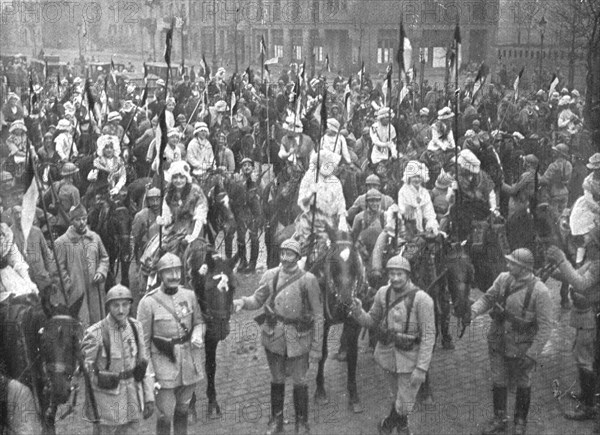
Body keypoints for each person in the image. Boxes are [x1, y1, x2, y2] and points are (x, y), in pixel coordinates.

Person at [232, 238, 324, 434]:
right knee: (277, 379)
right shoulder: (270, 275)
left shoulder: (308, 280)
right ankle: (276, 419)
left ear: (298, 257)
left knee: (300, 380)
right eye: (282, 253)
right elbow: (257, 299)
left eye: (289, 254)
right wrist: (242, 302)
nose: (284, 258)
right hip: (274, 335)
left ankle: (301, 421)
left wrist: (317, 347)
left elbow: (318, 315)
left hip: (299, 337)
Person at [349, 255, 435, 435]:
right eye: (392, 274)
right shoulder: (383, 292)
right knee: (396, 396)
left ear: (408, 275)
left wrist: (421, 369)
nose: (395, 278)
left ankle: (387, 425)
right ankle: (403, 427)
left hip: (410, 359)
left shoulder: (422, 299)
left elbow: (428, 337)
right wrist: (358, 311)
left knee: (404, 404)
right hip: (387, 355)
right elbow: (371, 321)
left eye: (400, 274)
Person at [470, 248, 553, 435]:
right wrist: (473, 311)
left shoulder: (540, 291)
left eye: (512, 263)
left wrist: (533, 354)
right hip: (498, 341)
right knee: (498, 380)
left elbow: (546, 327)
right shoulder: (503, 279)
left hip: (522, 348)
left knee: (524, 383)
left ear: (524, 268)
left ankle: (520, 422)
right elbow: (487, 299)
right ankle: (500, 418)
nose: (507, 265)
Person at [137, 253, 205, 435]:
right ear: (160, 275)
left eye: (177, 271)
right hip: (163, 367)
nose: (175, 276)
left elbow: (198, 321)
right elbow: (142, 343)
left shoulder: (189, 295)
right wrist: (149, 374)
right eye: (169, 272)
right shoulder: (148, 303)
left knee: (183, 409)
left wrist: (198, 332)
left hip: (189, 365)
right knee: (165, 415)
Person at [81, 285, 155, 434]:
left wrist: (149, 397)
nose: (121, 310)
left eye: (125, 305)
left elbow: (144, 364)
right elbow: (86, 372)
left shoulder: (136, 327)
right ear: (108, 306)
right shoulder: (95, 333)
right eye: (116, 305)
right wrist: (93, 408)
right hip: (107, 402)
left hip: (133, 397)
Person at [546, 223, 600, 422]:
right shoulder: (593, 261)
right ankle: (588, 395)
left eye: (591, 241)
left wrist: (561, 260)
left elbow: (580, 283)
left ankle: (589, 406)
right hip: (584, 316)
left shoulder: (598, 264)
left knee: (584, 358)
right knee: (585, 356)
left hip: (590, 316)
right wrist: (554, 269)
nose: (587, 244)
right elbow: (574, 274)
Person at [54, 203, 109, 326]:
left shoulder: (95, 238)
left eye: (84, 218)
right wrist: (69, 286)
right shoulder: (61, 243)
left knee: (97, 323)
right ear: (71, 221)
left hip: (94, 289)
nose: (82, 222)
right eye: (78, 219)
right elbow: (58, 270)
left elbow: (104, 258)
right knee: (80, 323)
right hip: (76, 292)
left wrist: (101, 272)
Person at [294, 150, 348, 264]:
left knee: (346, 242)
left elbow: (340, 202)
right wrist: (310, 194)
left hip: (332, 219)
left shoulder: (335, 181)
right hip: (312, 217)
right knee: (302, 245)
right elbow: (301, 201)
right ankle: (300, 264)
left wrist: (342, 217)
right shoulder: (309, 178)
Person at [0, 223, 38, 302]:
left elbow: (18, 262)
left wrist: (29, 282)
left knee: (25, 298)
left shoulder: (5, 233)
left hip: (7, 277)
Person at [43, 162, 81, 236]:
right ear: (72, 175)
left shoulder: (55, 184)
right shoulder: (74, 190)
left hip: (56, 220)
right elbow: (77, 210)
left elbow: (44, 197)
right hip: (68, 223)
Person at [539, 143, 572, 218]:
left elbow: (544, 180)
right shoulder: (569, 164)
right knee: (563, 215)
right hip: (565, 191)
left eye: (556, 152)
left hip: (554, 192)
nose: (554, 153)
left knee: (554, 216)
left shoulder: (553, 165)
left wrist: (538, 177)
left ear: (559, 153)